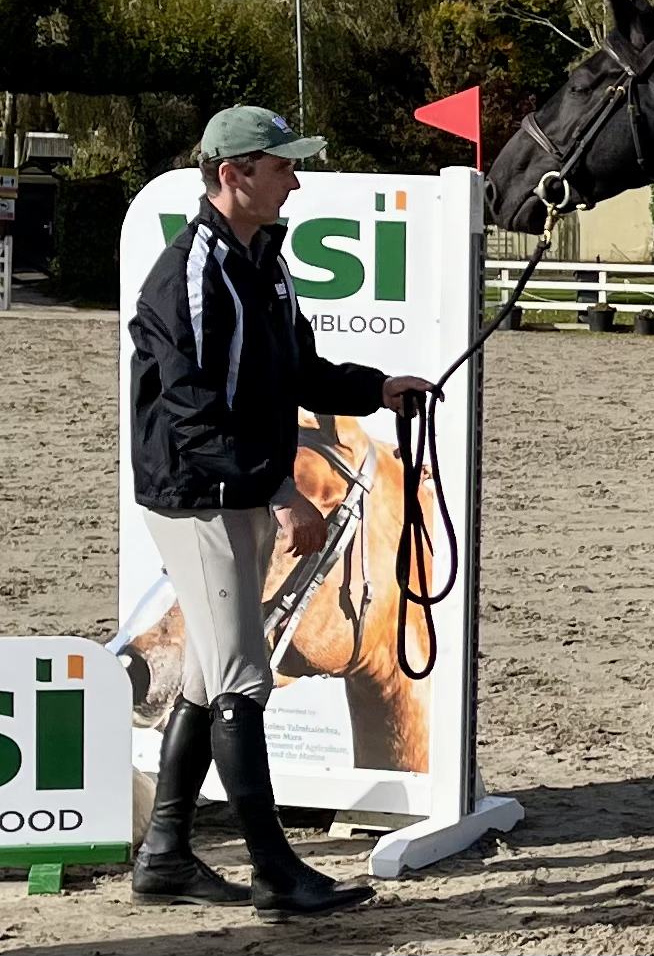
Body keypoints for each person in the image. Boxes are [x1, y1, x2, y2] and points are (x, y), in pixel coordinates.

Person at [125, 105, 434, 920]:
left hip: (237, 486)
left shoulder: (264, 260)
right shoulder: (191, 274)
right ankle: (274, 873)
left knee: (206, 676)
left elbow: (300, 370)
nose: (294, 181)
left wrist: (378, 388)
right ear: (233, 175)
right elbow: (194, 416)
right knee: (241, 678)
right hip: (199, 496)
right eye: (281, 166)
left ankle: (165, 855)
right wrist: (281, 490)